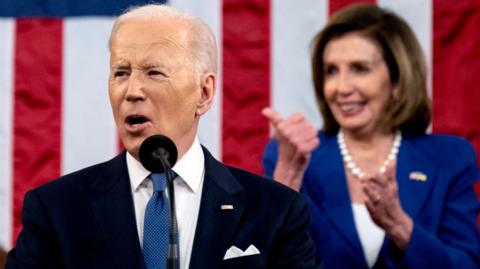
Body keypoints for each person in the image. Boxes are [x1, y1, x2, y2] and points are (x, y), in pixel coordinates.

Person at [6, 4, 320, 269]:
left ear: (204, 92)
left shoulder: (276, 211)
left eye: (154, 72)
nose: (131, 91)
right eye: (121, 72)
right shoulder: (56, 210)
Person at [263, 3, 480, 269]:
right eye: (331, 70)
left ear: (398, 80)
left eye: (360, 68)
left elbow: (465, 264)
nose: (341, 87)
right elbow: (264, 260)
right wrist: (285, 185)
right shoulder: (290, 158)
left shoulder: (449, 158)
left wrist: (400, 227)